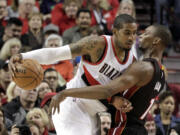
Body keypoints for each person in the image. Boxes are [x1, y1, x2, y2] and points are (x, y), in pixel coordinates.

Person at [9, 14, 137, 135]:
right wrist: (23, 56)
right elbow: (56, 53)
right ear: (115, 31)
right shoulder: (97, 44)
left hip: (96, 115)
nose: (131, 38)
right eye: (127, 33)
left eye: (134, 33)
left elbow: (112, 92)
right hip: (73, 105)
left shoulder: (133, 62)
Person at [48, 24, 172, 135]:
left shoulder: (143, 67)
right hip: (139, 128)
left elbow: (107, 91)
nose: (141, 35)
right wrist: (113, 100)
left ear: (156, 41)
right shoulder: (162, 72)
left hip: (123, 128)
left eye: (146, 33)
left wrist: (66, 92)